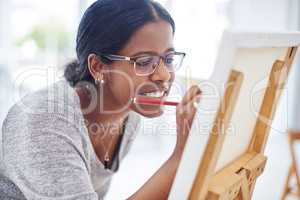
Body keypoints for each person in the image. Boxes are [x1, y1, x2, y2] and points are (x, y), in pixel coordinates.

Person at [0, 0, 201, 199]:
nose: (164, 75)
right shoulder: (44, 120)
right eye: (144, 62)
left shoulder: (128, 116)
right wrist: (181, 157)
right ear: (97, 67)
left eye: (169, 59)